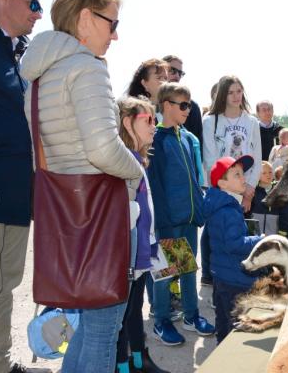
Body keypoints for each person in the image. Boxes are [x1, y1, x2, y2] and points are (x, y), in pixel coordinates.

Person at [21, 0, 143, 372]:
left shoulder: (38, 76)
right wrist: (136, 172)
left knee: (86, 328)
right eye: (112, 23)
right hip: (100, 217)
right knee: (103, 329)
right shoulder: (87, 68)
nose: (116, 35)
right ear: (86, 19)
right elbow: (103, 149)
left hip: (65, 218)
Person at [0, 0, 41, 372]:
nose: (39, 14)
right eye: (33, 4)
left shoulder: (18, 52)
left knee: (5, 288)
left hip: (17, 194)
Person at [147, 82, 215, 345]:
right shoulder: (157, 139)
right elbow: (156, 185)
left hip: (188, 218)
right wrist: (163, 222)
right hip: (168, 221)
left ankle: (191, 315)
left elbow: (196, 179)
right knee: (164, 272)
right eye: (183, 105)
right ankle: (162, 320)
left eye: (190, 104)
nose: (189, 109)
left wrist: (198, 210)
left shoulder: (187, 138)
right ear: (166, 106)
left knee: (189, 268)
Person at [115, 97, 169, 373]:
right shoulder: (121, 162)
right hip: (128, 255)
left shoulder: (140, 160)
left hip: (143, 251)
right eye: (148, 120)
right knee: (122, 316)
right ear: (127, 122)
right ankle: (122, 366)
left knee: (135, 311)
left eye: (155, 120)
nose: (154, 126)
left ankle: (140, 361)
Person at [203, 155, 263, 343]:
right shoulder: (228, 210)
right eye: (236, 175)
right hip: (236, 279)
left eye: (242, 174)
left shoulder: (219, 204)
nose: (243, 178)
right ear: (222, 183)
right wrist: (260, 240)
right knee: (236, 329)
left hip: (222, 275)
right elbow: (234, 244)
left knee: (223, 323)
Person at [202, 75, 262, 213]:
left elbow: (257, 158)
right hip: (221, 189)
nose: (236, 96)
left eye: (239, 91)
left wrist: (249, 190)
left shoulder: (252, 122)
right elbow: (210, 161)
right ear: (223, 95)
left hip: (246, 189)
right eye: (230, 92)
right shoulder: (210, 121)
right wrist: (228, 188)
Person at [162, 55, 203, 147]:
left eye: (180, 73)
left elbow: (197, 146)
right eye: (172, 70)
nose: (177, 76)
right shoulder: (149, 105)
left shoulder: (192, 107)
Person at [249, 161, 280, 235]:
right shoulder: (253, 190)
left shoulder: (277, 190)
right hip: (256, 228)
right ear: (258, 175)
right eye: (264, 173)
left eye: (270, 172)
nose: (268, 175)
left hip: (273, 228)